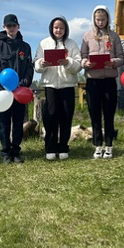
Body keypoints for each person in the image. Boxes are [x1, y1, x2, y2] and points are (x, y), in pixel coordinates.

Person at [34, 16, 82, 160]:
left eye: (61, 28)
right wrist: (42, 63)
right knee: (51, 117)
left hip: (67, 85)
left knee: (66, 117)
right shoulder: (44, 43)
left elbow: (78, 65)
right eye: (56, 28)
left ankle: (63, 147)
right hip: (50, 86)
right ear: (51, 29)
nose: (58, 30)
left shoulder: (72, 44)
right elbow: (36, 64)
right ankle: (50, 147)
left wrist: (68, 62)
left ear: (66, 29)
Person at [80, 5, 124, 159]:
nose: (100, 22)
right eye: (97, 19)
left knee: (109, 114)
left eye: (103, 19)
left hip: (109, 80)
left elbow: (121, 57)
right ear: (94, 19)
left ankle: (109, 145)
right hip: (92, 80)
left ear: (108, 19)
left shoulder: (114, 36)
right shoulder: (87, 36)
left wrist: (113, 62)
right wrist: (85, 63)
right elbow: (82, 56)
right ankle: (97, 145)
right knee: (94, 113)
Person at [0, 13, 34, 164]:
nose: (12, 28)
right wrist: (3, 82)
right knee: (4, 124)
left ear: (18, 26)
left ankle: (16, 151)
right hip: (3, 93)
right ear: (4, 27)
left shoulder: (25, 47)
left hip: (20, 92)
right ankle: (5, 153)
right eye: (9, 26)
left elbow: (29, 68)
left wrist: (25, 81)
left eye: (14, 26)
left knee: (18, 122)